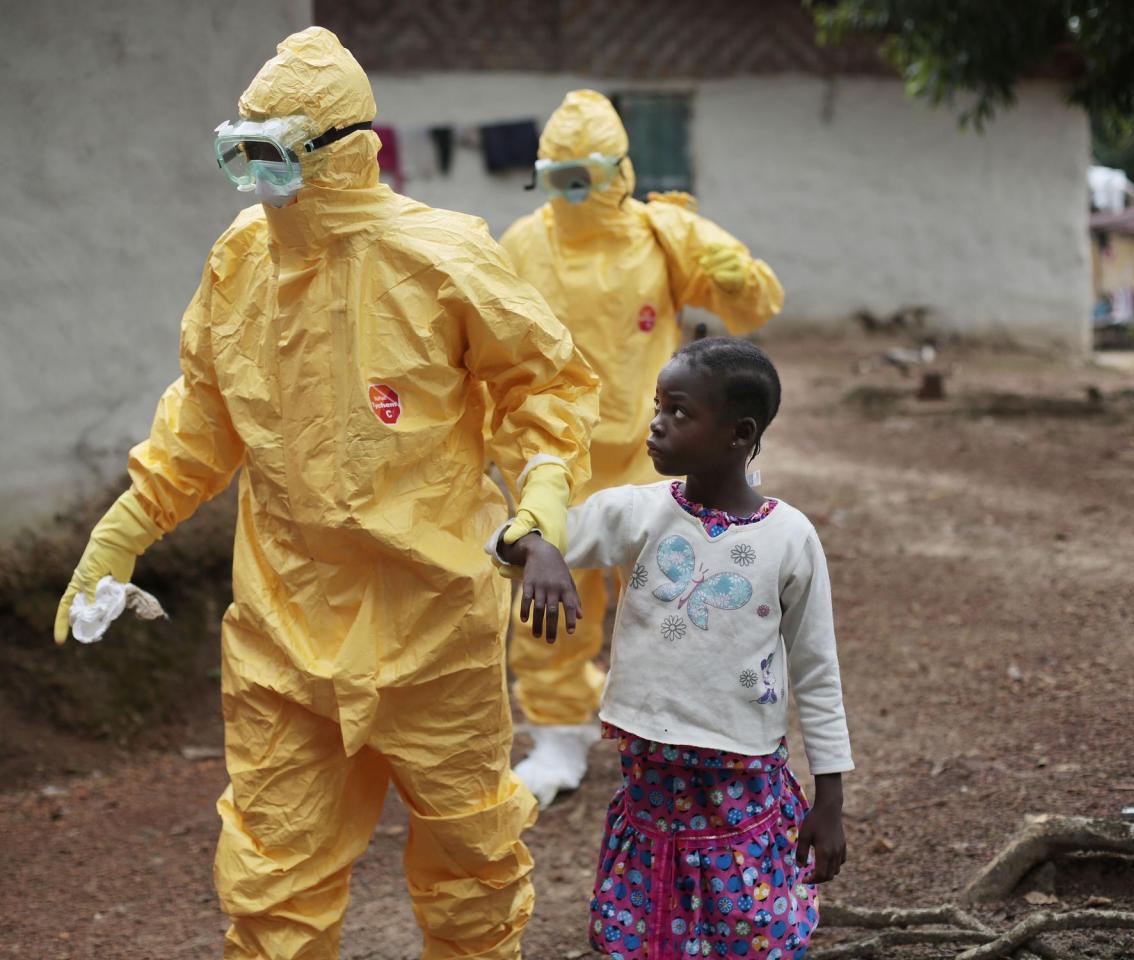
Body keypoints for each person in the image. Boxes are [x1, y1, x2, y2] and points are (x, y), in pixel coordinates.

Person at [53, 27, 596, 960]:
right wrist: (123, 530)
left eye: (272, 155)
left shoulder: (444, 257)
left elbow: (542, 387)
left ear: (343, 151)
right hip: (285, 629)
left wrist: (539, 510)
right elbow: (202, 417)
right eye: (240, 152)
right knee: (271, 873)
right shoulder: (241, 261)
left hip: (433, 621)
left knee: (470, 860)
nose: (255, 180)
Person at [493, 338, 853, 959]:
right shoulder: (640, 512)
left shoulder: (790, 538)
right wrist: (539, 550)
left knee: (747, 927)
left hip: (741, 773)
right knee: (649, 922)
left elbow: (818, 673)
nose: (656, 422)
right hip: (650, 774)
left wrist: (831, 802)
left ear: (740, 434)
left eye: (679, 411)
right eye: (658, 405)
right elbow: (514, 542)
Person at [500, 89, 785, 807]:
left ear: (617, 174)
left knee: (671, 597)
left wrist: (728, 271)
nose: (571, 192)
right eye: (557, 176)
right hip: (556, 462)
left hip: (652, 454)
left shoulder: (662, 234)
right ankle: (559, 735)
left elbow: (752, 307)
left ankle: (682, 730)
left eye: (583, 176)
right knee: (549, 602)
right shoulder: (521, 245)